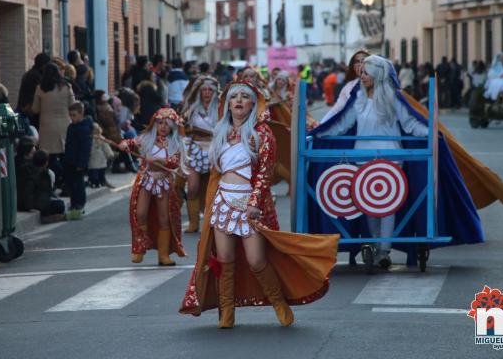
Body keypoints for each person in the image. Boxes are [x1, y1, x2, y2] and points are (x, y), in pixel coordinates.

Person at [309, 55, 503, 267]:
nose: (362, 75)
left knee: (387, 206)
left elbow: (410, 123)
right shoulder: (357, 97)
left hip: (392, 159)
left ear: (377, 73)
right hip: (363, 158)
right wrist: (318, 133)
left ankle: (384, 251)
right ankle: (377, 247)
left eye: (366, 72)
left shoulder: (393, 98)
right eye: (362, 72)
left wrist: (430, 134)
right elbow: (341, 125)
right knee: (367, 205)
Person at [179, 81, 339, 328]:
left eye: (245, 96)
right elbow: (215, 174)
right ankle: (227, 314)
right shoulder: (220, 133)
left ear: (254, 102)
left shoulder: (262, 133)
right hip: (223, 202)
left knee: (256, 260)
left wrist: (254, 203)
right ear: (228, 103)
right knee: (224, 259)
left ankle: (279, 304)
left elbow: (265, 172)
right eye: (234, 97)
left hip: (248, 203)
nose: (239, 100)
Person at [119, 108, 188, 266]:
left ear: (172, 126)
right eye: (160, 123)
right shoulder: (146, 138)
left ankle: (163, 256)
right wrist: (124, 144)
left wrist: (159, 161)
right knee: (141, 213)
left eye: (167, 124)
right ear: (154, 124)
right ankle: (139, 248)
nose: (163, 126)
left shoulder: (175, 143)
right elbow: (130, 143)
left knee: (165, 218)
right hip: (146, 180)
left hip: (163, 183)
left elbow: (174, 162)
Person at [180, 76, 220, 233]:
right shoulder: (191, 109)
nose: (207, 92)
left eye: (210, 89)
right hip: (195, 150)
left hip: (214, 150)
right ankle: (193, 223)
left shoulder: (221, 109)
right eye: (204, 89)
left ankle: (214, 222)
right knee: (192, 188)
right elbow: (182, 126)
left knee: (215, 190)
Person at [32, 63, 76, 188]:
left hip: (46, 126)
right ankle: (66, 182)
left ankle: (52, 182)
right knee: (64, 155)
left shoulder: (40, 88)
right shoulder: (67, 87)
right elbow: (72, 105)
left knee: (49, 158)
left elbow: (35, 109)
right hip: (64, 125)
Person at [321, 50, 370, 124]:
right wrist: (321, 125)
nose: (360, 64)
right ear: (353, 65)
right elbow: (336, 110)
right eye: (356, 61)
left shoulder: (380, 84)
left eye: (363, 60)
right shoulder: (348, 87)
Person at [64, 102, 93, 219]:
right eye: (70, 115)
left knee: (78, 184)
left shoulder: (84, 128)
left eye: (74, 115)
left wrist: (82, 163)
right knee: (71, 184)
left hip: (78, 161)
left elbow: (85, 148)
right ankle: (74, 203)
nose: (72, 118)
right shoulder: (71, 127)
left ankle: (79, 204)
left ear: (81, 114)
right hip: (70, 160)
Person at [88, 123, 115, 188]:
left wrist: (110, 154)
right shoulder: (90, 139)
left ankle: (98, 181)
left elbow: (105, 146)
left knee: (97, 172)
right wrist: (110, 154)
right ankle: (96, 181)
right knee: (96, 172)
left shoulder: (99, 138)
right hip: (96, 159)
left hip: (97, 159)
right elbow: (106, 147)